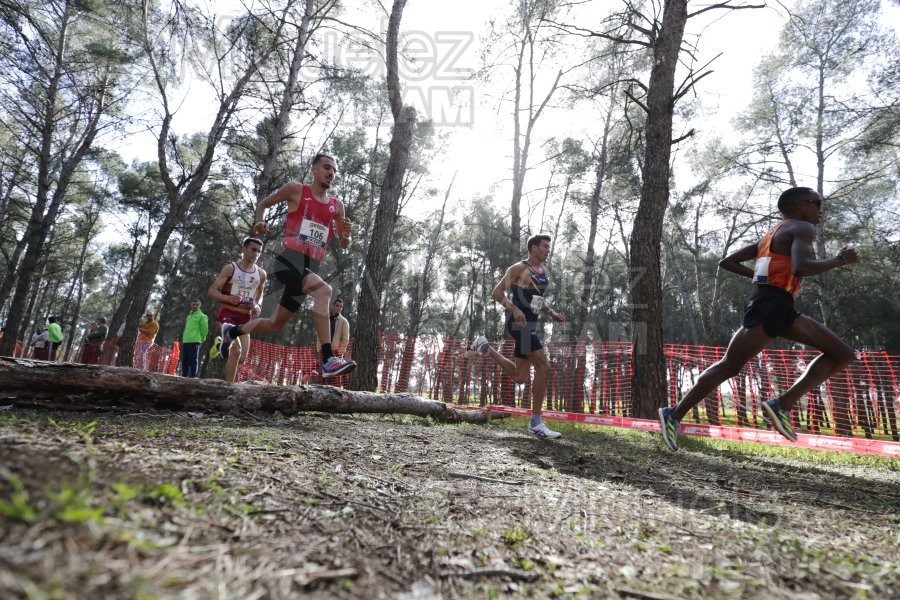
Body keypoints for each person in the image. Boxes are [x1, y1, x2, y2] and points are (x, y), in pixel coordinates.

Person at [658, 187, 858, 451]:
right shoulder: (802, 228)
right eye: (816, 203)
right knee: (730, 365)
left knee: (842, 354)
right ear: (799, 205)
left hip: (776, 303)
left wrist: (760, 278)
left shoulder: (772, 235)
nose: (820, 210)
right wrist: (840, 260)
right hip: (772, 304)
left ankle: (781, 405)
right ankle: (673, 415)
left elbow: (728, 261)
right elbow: (801, 268)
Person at [219, 152, 356, 378]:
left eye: (334, 170)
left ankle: (231, 332)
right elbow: (264, 203)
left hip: (309, 268)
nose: (331, 173)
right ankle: (327, 359)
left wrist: (347, 235)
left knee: (274, 325)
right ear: (314, 169)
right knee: (325, 291)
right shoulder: (296, 190)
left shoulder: (336, 206)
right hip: (288, 261)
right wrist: (259, 220)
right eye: (326, 167)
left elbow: (343, 243)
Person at [466, 234, 567, 439]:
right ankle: (536, 423)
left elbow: (536, 300)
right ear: (533, 248)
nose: (548, 250)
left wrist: (550, 312)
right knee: (544, 367)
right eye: (545, 246)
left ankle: (485, 347)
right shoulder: (518, 269)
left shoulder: (543, 272)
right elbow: (496, 293)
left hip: (531, 324)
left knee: (520, 377)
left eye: (549, 247)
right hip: (519, 325)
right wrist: (513, 309)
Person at [208, 237, 268, 383]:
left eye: (259, 251)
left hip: (245, 319)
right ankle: (229, 388)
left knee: (241, 359)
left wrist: (257, 305)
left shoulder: (261, 274)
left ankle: (220, 342)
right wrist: (228, 298)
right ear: (244, 249)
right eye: (253, 250)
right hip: (228, 316)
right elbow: (212, 292)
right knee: (236, 351)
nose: (256, 254)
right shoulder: (231, 269)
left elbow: (259, 295)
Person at [180, 299, 208, 378]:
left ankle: (192, 377)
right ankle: (184, 376)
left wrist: (202, 339)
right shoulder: (188, 316)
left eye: (197, 305)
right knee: (185, 360)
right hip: (186, 340)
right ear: (191, 305)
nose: (195, 306)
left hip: (195, 341)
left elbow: (204, 329)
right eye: (193, 304)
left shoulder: (203, 316)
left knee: (193, 359)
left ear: (200, 306)